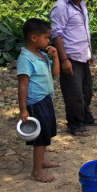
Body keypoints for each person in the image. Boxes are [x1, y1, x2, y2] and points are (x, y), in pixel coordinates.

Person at [50, 0, 97, 137]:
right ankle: (74, 124)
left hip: (83, 56)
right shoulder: (60, 7)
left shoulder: (81, 5)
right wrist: (63, 60)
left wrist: (89, 53)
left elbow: (84, 31)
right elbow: (56, 35)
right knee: (74, 93)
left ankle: (85, 116)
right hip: (70, 57)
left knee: (87, 90)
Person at [17, 18, 60, 183]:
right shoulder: (25, 58)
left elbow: (55, 74)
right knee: (40, 136)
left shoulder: (41, 55)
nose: (48, 40)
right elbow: (23, 85)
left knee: (46, 131)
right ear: (34, 38)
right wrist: (23, 109)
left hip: (46, 99)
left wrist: (55, 57)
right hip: (35, 102)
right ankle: (36, 171)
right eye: (46, 37)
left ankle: (41, 161)